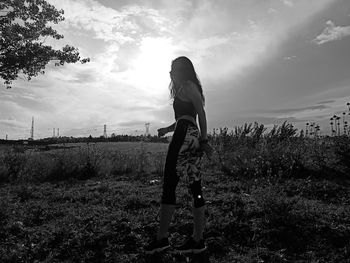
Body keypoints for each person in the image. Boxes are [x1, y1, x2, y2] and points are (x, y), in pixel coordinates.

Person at [144, 56, 213, 255]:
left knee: (170, 182)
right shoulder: (188, 88)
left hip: (184, 135)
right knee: (195, 185)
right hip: (190, 135)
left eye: (173, 70)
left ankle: (162, 239)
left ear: (182, 71)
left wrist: (205, 139)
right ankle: (198, 241)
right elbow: (189, 116)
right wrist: (167, 128)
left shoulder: (188, 86)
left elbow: (201, 113)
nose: (170, 73)